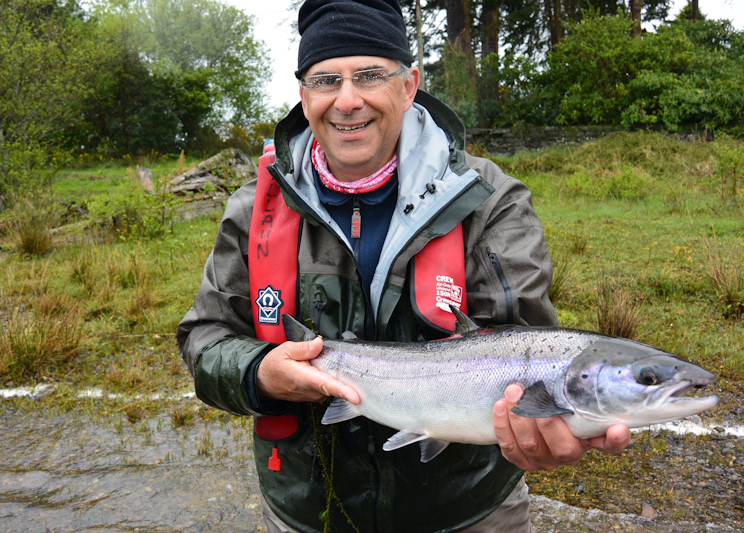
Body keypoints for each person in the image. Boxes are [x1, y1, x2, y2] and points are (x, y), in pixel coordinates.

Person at [177, 1, 631, 531]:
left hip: (468, 511)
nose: (348, 101)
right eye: (327, 80)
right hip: (307, 513)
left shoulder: (490, 198)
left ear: (409, 84)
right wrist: (259, 374)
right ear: (304, 95)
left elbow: (528, 345)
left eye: (370, 75)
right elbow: (204, 339)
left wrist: (540, 431)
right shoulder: (253, 207)